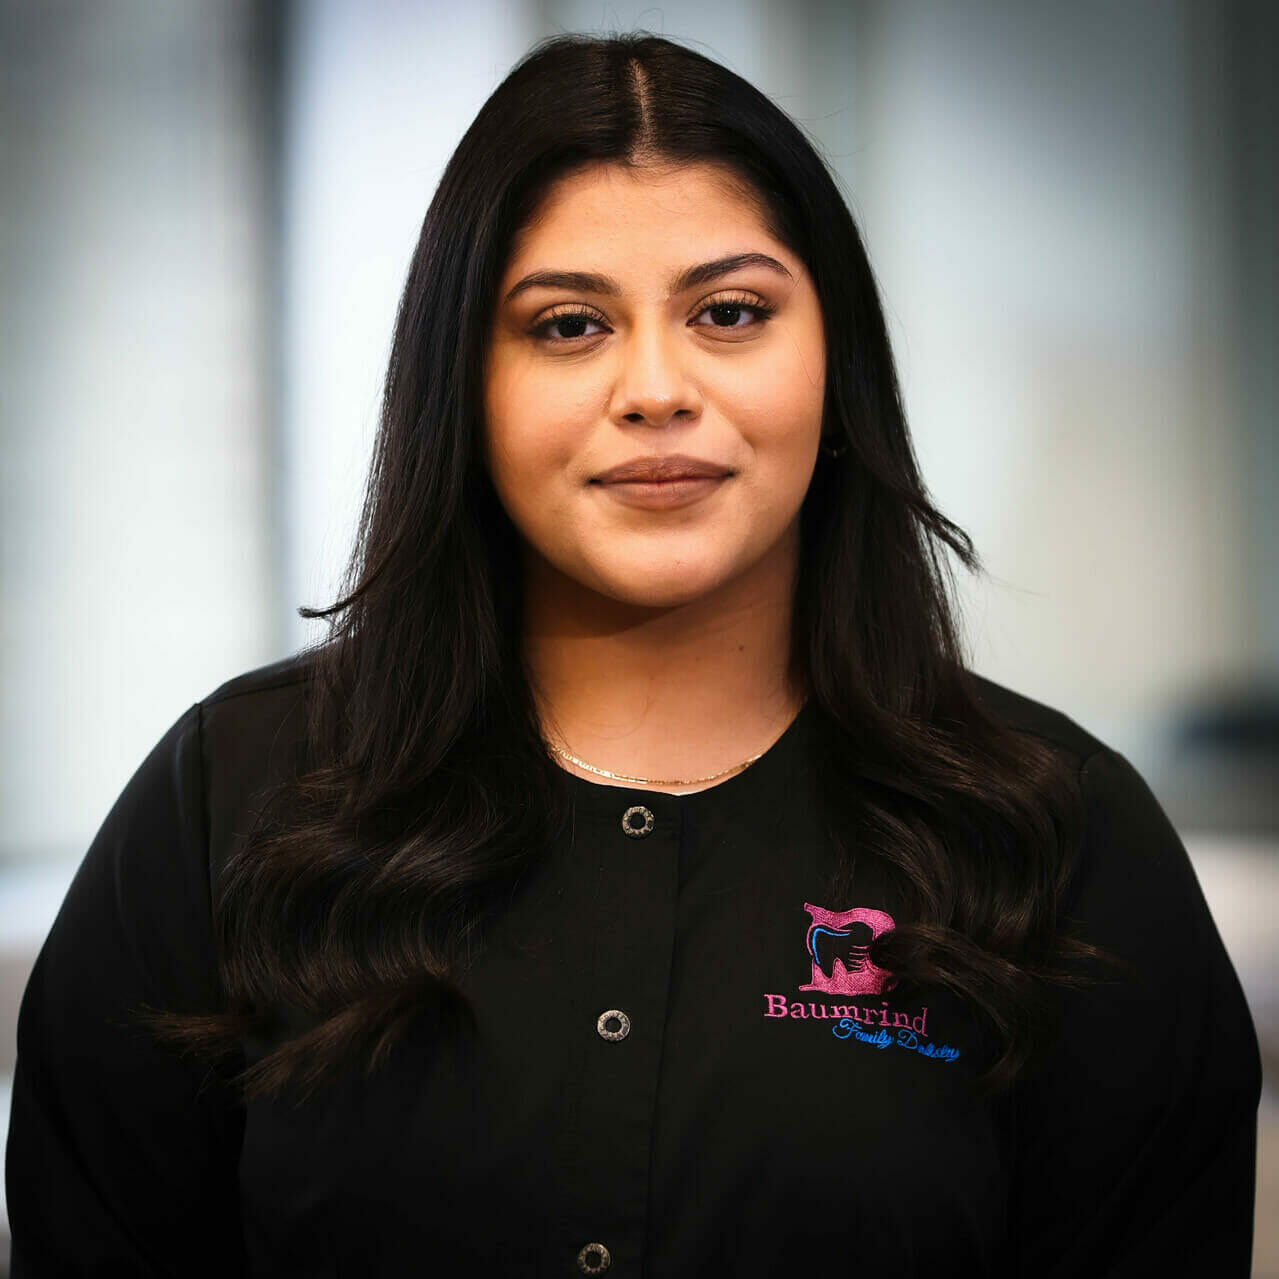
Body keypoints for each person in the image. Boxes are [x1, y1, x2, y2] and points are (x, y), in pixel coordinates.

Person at [6, 31, 1261, 1278]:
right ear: (464, 384)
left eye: (729, 312)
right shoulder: (234, 800)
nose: (655, 388)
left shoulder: (1058, 833)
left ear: (836, 365)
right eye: (565, 326)